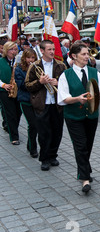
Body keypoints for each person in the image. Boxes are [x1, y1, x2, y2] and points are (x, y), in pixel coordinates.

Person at [58, 43, 100, 193]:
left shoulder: (94, 72)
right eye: (84, 54)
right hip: (73, 116)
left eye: (88, 54)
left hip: (92, 115)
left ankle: (84, 168)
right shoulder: (65, 75)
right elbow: (63, 98)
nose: (87, 56)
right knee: (80, 145)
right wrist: (77, 98)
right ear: (74, 56)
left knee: (88, 145)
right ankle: (85, 178)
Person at [25, 40, 66, 171]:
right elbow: (28, 85)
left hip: (56, 104)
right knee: (43, 133)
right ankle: (44, 158)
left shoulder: (61, 65)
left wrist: (58, 82)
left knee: (57, 131)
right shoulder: (34, 66)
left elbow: (68, 83)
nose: (52, 52)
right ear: (42, 51)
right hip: (42, 104)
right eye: (49, 49)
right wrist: (40, 82)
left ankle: (53, 155)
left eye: (53, 49)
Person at [15, 49, 39, 157]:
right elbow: (22, 85)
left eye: (33, 58)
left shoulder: (38, 67)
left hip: (37, 100)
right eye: (28, 58)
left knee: (37, 125)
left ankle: (30, 145)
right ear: (24, 58)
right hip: (25, 100)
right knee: (33, 124)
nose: (31, 60)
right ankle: (33, 148)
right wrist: (38, 83)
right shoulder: (19, 69)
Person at [0, 41, 21, 145]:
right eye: (11, 49)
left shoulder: (18, 62)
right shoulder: (1, 62)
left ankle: (12, 128)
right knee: (10, 114)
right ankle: (14, 137)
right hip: (5, 91)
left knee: (18, 112)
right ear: (6, 51)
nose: (14, 52)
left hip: (17, 90)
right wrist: (4, 85)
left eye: (15, 49)